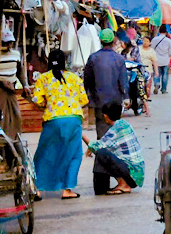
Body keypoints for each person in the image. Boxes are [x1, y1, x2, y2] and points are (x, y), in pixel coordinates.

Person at [31, 49, 89, 199]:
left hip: (53, 120)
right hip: (73, 119)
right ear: (65, 62)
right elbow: (84, 100)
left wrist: (48, 104)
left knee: (44, 154)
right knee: (73, 154)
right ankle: (67, 190)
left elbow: (37, 101)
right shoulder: (74, 78)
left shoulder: (43, 79)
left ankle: (37, 189)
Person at [83, 28, 130, 194]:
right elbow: (124, 82)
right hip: (115, 107)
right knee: (114, 142)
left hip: (99, 107)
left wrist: (89, 100)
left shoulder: (93, 58)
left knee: (102, 140)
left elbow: (87, 81)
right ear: (114, 41)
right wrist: (126, 99)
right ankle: (114, 179)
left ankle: (102, 181)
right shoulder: (119, 59)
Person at [83, 100, 145, 195]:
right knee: (102, 152)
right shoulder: (124, 124)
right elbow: (104, 143)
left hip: (132, 174)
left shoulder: (116, 129)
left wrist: (81, 134)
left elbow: (98, 147)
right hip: (136, 174)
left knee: (102, 153)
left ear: (105, 116)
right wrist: (92, 147)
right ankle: (106, 187)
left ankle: (123, 184)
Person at [0, 30, 25, 139]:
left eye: (10, 43)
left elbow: (20, 72)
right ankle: (1, 138)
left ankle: (14, 137)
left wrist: (25, 85)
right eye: (5, 43)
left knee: (15, 114)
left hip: (11, 88)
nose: (8, 46)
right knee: (0, 115)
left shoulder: (16, 54)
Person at [151, 25, 171, 95]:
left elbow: (152, 49)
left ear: (159, 31)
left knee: (156, 73)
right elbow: (170, 51)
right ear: (166, 32)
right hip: (165, 60)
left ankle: (156, 84)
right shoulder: (168, 40)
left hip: (156, 59)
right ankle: (164, 89)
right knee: (165, 75)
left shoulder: (154, 39)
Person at [139, 35, 158, 103]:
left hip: (148, 71)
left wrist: (156, 72)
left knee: (147, 88)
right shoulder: (138, 49)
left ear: (150, 43)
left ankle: (145, 101)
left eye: (147, 41)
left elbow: (154, 62)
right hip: (139, 71)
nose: (145, 42)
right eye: (144, 41)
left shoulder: (152, 51)